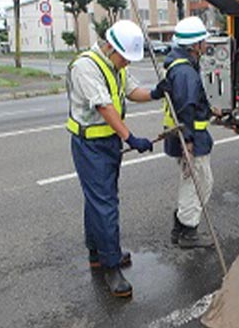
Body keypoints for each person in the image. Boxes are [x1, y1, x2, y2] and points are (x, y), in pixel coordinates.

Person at [66, 19, 165, 297]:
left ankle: (97, 252)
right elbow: (104, 106)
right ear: (110, 47)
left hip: (106, 142)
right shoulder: (86, 66)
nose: (126, 64)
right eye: (124, 58)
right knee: (105, 203)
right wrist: (130, 137)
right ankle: (111, 267)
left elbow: (133, 92)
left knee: (97, 200)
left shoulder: (115, 65)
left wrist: (157, 91)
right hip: (90, 146)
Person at [156, 16, 220, 249]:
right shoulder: (185, 72)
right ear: (194, 46)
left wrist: (209, 109)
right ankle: (188, 232)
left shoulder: (180, 65)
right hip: (190, 137)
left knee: (193, 181)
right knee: (199, 182)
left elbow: (188, 100)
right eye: (203, 41)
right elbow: (184, 107)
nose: (206, 45)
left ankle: (181, 227)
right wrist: (189, 141)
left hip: (186, 135)